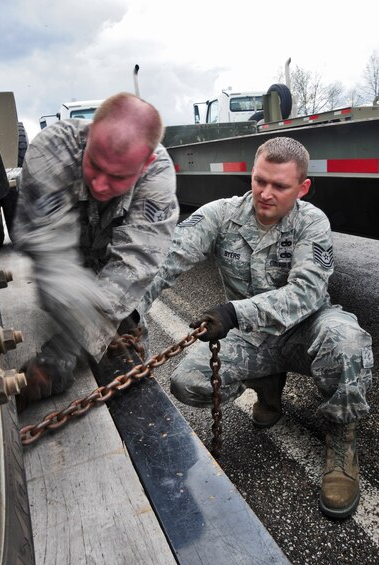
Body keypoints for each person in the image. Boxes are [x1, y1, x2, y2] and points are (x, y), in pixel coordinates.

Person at [139, 136, 373, 519]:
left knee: (347, 341)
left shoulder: (311, 222)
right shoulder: (221, 214)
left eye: (279, 186)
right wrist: (130, 310)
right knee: (190, 381)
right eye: (259, 180)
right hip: (252, 338)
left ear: (302, 187)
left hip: (304, 329)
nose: (265, 193)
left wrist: (234, 313)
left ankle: (342, 441)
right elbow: (168, 258)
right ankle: (268, 387)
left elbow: (307, 293)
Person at [12, 92, 179, 410]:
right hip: (67, 264)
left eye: (117, 176)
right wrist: (74, 341)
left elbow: (134, 263)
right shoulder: (53, 148)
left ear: (146, 163)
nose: (100, 185)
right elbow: (49, 250)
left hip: (110, 271)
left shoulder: (157, 176)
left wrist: (67, 348)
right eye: (94, 166)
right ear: (88, 138)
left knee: (128, 360)